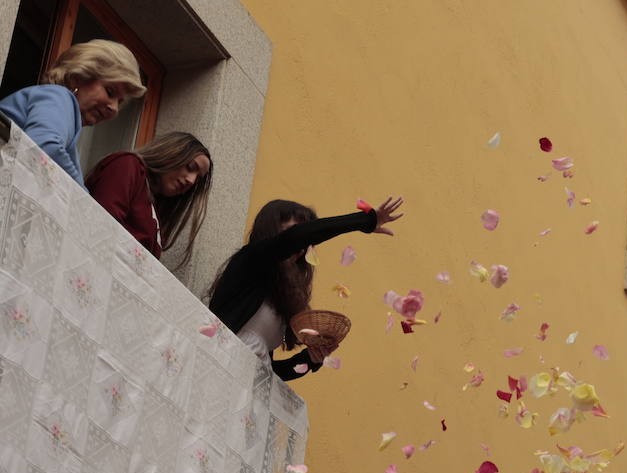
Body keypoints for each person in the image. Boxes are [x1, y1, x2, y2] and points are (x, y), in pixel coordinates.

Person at [206, 196, 403, 380]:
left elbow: (270, 373)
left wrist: (309, 359)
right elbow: (296, 237)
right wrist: (364, 220)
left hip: (246, 392)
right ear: (273, 230)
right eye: (298, 233)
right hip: (216, 370)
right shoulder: (249, 260)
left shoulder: (277, 299)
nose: (304, 245)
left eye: (307, 242)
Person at [0, 39, 145, 183]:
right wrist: (83, 201)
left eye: (120, 102)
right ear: (78, 77)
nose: (114, 108)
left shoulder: (66, 122)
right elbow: (44, 148)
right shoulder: (59, 96)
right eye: (110, 92)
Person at [87, 131, 212, 266]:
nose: (191, 180)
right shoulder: (127, 165)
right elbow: (103, 225)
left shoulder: (154, 210)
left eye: (197, 179)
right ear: (172, 152)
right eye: (191, 167)